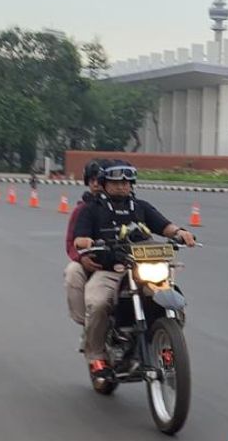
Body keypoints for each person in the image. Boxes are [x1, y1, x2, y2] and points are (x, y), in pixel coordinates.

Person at [71, 161, 196, 382]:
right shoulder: (91, 209)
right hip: (110, 270)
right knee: (98, 303)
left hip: (143, 269)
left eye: (126, 182)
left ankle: (165, 348)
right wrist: (86, 241)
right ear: (104, 183)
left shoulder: (141, 207)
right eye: (116, 182)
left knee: (174, 302)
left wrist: (180, 232)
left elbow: (164, 226)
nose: (122, 186)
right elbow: (78, 238)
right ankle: (96, 356)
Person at [63, 158, 111, 332]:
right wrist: (81, 257)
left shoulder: (130, 205)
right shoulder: (83, 209)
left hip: (123, 260)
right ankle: (88, 326)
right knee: (72, 271)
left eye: (101, 179)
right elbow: (71, 243)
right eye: (93, 180)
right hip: (95, 261)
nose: (97, 184)